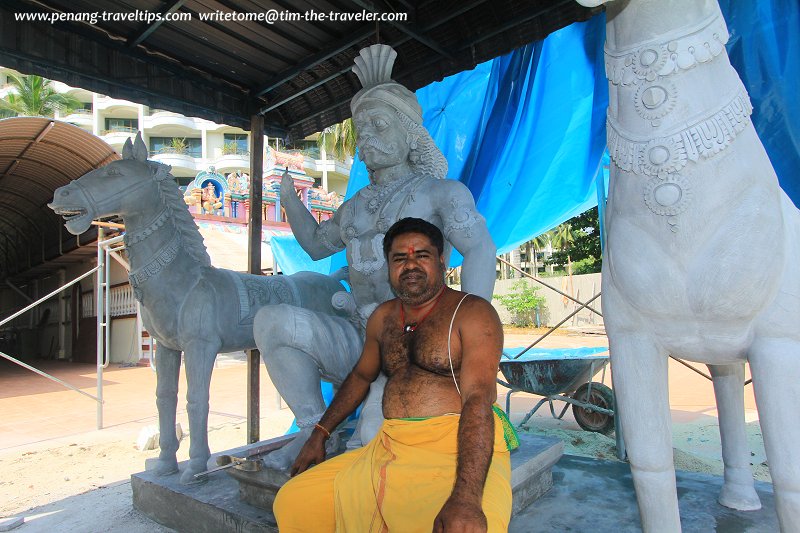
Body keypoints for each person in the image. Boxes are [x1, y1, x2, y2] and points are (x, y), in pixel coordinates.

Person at [254, 43, 496, 469]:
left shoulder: (441, 193)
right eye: (361, 130)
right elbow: (314, 245)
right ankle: (313, 428)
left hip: (417, 344)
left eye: (379, 125)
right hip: (358, 335)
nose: (367, 138)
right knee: (270, 320)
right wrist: (290, 200)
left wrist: (465, 334)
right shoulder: (354, 206)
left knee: (369, 439)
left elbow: (480, 249)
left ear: (409, 134)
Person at [273, 217, 512, 532]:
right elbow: (360, 377)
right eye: (400, 258)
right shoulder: (383, 318)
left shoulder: (472, 313)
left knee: (468, 526)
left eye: (421, 256)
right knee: (294, 500)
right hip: (391, 445)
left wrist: (467, 497)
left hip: (455, 445)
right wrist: (319, 434)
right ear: (388, 267)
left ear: (442, 261)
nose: (410, 265)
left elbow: (479, 398)